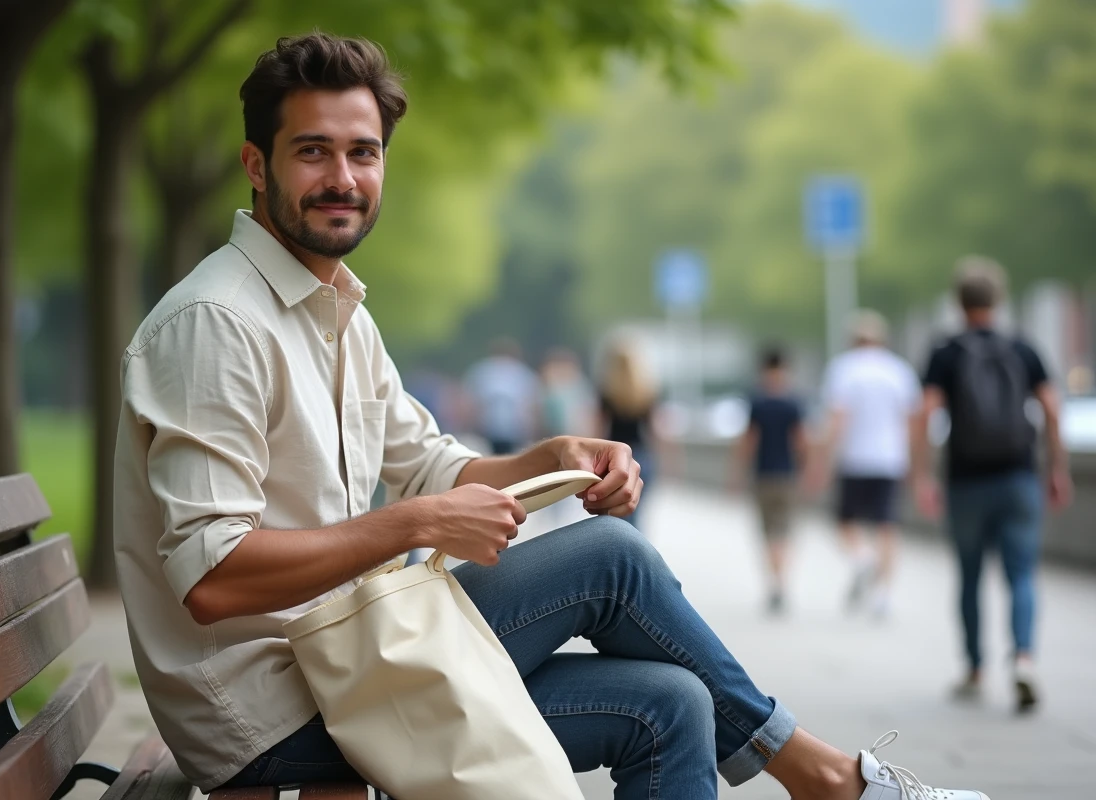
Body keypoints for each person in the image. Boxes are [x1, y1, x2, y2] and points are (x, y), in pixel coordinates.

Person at [113, 33, 990, 800]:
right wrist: (414, 523)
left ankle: (813, 772)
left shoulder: (336, 309)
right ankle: (823, 776)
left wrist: (555, 457)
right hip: (270, 705)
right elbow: (214, 578)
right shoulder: (219, 326)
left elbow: (433, 465)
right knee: (610, 557)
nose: (343, 178)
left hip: (354, 660)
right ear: (257, 164)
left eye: (364, 152)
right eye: (313, 152)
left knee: (674, 704)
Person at [912, 257, 1073, 713]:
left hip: (966, 481)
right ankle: (1023, 658)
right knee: (1021, 573)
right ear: (997, 300)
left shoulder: (946, 351)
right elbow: (1053, 409)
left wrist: (923, 475)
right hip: (1019, 476)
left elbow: (924, 413)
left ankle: (974, 668)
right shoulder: (1022, 347)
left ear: (958, 302)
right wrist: (1056, 468)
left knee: (969, 575)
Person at [807, 310, 921, 618]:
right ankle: (884, 594)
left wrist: (822, 462)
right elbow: (911, 420)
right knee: (887, 527)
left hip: (854, 459)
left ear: (853, 340)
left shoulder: (843, 369)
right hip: (890, 460)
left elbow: (836, 420)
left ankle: (861, 559)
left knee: (845, 521)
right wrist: (914, 462)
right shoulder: (899, 371)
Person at [729, 346, 807, 614]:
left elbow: (749, 441)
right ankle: (782, 582)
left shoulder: (757, 402)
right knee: (784, 532)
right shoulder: (793, 402)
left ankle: (774, 584)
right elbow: (801, 441)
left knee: (766, 533)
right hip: (787, 475)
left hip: (763, 475)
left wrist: (737, 474)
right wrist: (806, 471)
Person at [597, 339, 659, 530]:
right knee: (637, 509)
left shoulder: (608, 391)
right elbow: (655, 430)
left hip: (615, 458)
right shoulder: (645, 392)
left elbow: (598, 430)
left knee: (616, 512)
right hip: (641, 455)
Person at [463, 338, 541, 455]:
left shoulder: (482, 370)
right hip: (508, 427)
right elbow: (530, 403)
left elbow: (470, 400)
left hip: (493, 425)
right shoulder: (522, 373)